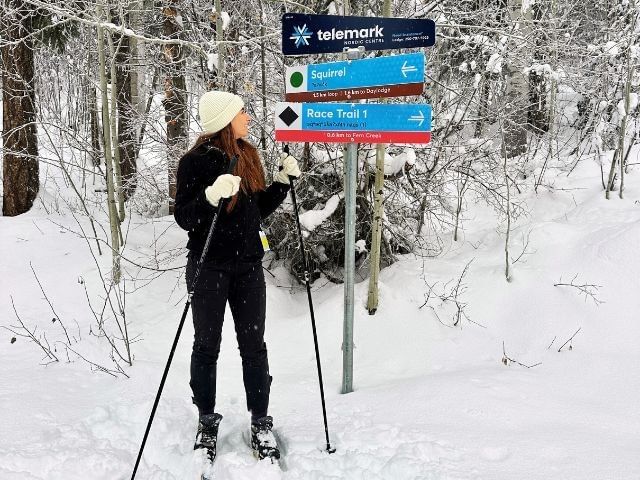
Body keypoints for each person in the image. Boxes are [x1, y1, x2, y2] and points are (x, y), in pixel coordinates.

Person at [174, 90, 301, 463]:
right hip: (208, 265)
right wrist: (210, 197)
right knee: (206, 345)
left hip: (247, 267)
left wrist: (280, 184)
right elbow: (184, 216)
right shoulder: (193, 162)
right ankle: (206, 420)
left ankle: (261, 422)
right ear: (225, 120)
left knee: (253, 346)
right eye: (241, 112)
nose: (247, 117)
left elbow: (253, 212)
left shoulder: (247, 154)